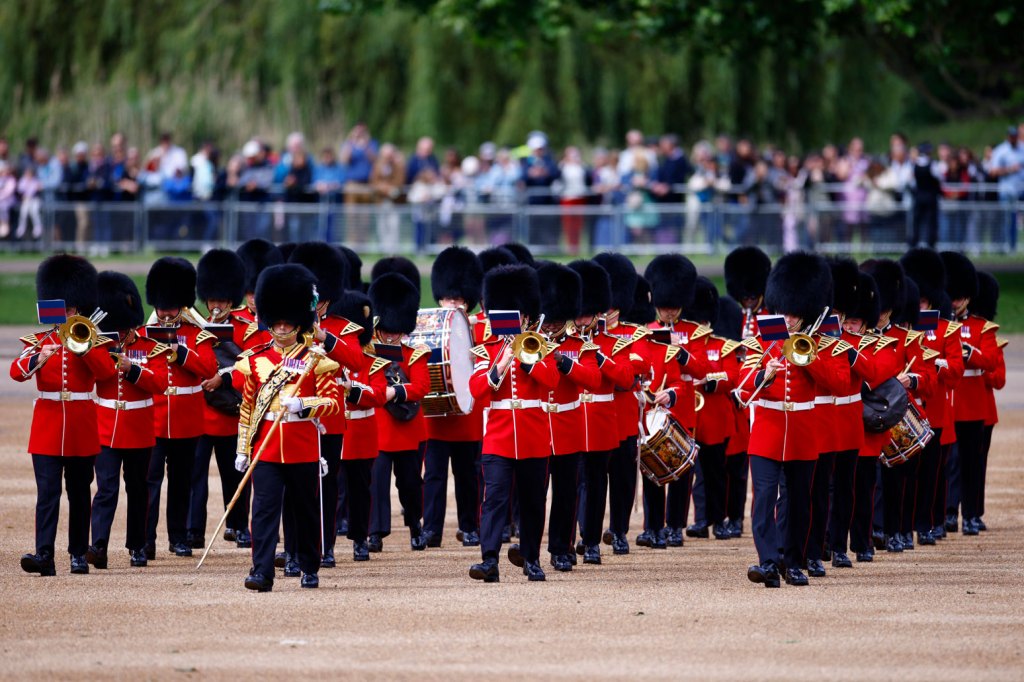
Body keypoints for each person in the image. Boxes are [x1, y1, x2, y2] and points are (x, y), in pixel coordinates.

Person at [738, 252, 847, 588]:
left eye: (795, 314)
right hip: (767, 433)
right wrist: (763, 377)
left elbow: (840, 382)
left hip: (802, 433)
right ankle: (768, 562)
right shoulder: (760, 343)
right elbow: (741, 387)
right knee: (764, 500)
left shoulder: (822, 344)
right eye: (784, 311)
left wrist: (807, 359)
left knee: (800, 503)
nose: (788, 320)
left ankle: (793, 561)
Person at [235, 263, 341, 592]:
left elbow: (333, 403)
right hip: (266, 446)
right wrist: (242, 448)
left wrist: (304, 405)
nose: (281, 328)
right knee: (263, 512)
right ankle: (261, 572)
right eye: (276, 322)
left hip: (302, 445)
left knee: (305, 512)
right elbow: (248, 408)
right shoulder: (255, 359)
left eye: (287, 322)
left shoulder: (316, 359)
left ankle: (310, 567)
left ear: (298, 323)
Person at [12, 255, 117, 576]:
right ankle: (44, 553)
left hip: (81, 427)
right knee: (47, 495)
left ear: (79, 308)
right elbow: (16, 372)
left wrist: (83, 348)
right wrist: (38, 360)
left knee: (79, 492)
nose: (68, 315)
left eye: (73, 310)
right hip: (47, 427)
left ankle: (76, 554)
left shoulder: (91, 339)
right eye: (64, 309)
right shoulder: (40, 341)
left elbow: (106, 375)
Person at [468, 265, 559, 583]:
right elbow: (477, 389)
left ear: (526, 318)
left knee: (534, 501)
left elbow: (551, 381)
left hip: (533, 436)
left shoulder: (540, 347)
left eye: (518, 316)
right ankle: (489, 560)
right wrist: (501, 363)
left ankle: (532, 559)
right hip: (499, 438)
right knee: (494, 499)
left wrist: (524, 358)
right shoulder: (486, 350)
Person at [290, 243, 366, 568]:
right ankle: (293, 550)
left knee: (326, 484)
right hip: (295, 416)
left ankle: (325, 546)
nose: (315, 304)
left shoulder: (340, 327)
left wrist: (324, 337)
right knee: (293, 487)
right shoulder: (287, 326)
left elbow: (356, 361)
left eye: (320, 299)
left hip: (329, 417)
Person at [87, 272, 170, 570]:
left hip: (139, 428)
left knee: (138, 490)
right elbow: (93, 377)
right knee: (106, 489)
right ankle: (98, 546)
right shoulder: (97, 345)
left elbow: (160, 383)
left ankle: (137, 546)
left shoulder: (152, 347)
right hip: (106, 427)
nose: (120, 333)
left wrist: (132, 368)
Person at [142, 257, 218, 560]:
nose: (165, 312)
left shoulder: (195, 332)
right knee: (150, 482)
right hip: (156, 417)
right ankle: (145, 539)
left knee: (182, 482)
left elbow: (208, 367)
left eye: (171, 306)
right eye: (161, 306)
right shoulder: (145, 332)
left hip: (186, 418)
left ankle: (179, 537)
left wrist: (181, 353)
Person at [535, 262, 601, 571]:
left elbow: (594, 379)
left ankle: (561, 548)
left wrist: (565, 364)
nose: (550, 328)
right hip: (536, 428)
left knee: (564, 494)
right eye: (547, 321)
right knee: (534, 494)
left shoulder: (579, 346)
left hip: (567, 428)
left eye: (556, 322)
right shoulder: (530, 341)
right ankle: (530, 549)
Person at [641, 257, 710, 544]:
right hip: (652, 407)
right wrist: (648, 394)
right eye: (664, 304)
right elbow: (641, 369)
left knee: (681, 472)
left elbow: (703, 371)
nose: (669, 310)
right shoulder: (643, 332)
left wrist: (682, 353)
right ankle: (653, 527)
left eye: (673, 304)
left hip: (682, 408)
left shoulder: (695, 332)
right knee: (651, 470)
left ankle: (675, 526)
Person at [899, 248, 965, 543]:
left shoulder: (947, 329)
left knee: (933, 474)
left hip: (936, 409)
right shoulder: (905, 329)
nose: (922, 304)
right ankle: (908, 524)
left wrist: (938, 363)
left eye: (925, 300)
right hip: (908, 410)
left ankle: (930, 523)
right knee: (909, 474)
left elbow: (956, 371)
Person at [421, 247, 485, 548]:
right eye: (448, 298)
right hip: (437, 413)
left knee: (468, 476)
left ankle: (469, 526)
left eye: (458, 299)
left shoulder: (479, 328)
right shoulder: (428, 324)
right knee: (434, 476)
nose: (453, 303)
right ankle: (431, 528)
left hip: (467, 413)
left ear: (467, 301)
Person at [188, 249, 251, 551]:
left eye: (221, 300)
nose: (215, 306)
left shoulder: (243, 326)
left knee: (234, 475)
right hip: (201, 413)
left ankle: (238, 526)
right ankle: (193, 530)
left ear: (231, 299)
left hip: (231, 414)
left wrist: (223, 378)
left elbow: (251, 365)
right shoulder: (195, 323)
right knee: (195, 477)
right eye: (211, 300)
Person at [367, 272, 431, 552]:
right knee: (377, 483)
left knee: (410, 484)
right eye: (388, 329)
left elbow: (421, 386)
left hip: (408, 429)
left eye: (397, 330)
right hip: (380, 430)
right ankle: (375, 532)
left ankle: (416, 526)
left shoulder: (414, 353)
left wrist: (393, 392)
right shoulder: (369, 352)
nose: (393, 335)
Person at [943, 251, 998, 535]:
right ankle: (949, 512)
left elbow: (990, 361)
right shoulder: (939, 327)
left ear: (968, 298)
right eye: (952, 296)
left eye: (959, 297)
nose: (955, 302)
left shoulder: (981, 327)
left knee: (972, 462)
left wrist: (970, 353)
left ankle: (972, 514)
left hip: (973, 405)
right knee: (950, 463)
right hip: (949, 403)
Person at [330, 290, 387, 561]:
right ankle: (325, 543)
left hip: (360, 433)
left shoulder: (370, 362)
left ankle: (359, 539)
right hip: (331, 430)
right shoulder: (326, 358)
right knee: (329, 491)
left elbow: (377, 395)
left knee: (360, 491)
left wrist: (352, 389)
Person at [724, 246, 772, 340]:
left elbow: (776, 351)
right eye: (745, 298)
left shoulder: (771, 314)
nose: (749, 301)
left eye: (753, 297)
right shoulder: (728, 314)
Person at [989, 126, 1024, 252]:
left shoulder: (1022, 148)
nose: (1013, 138)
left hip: (1021, 189)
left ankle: (1014, 247)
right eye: (1011, 136)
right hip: (1007, 191)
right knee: (1008, 220)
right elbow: (993, 171)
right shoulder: (1001, 150)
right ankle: (1008, 247)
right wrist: (1009, 169)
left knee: (1014, 221)